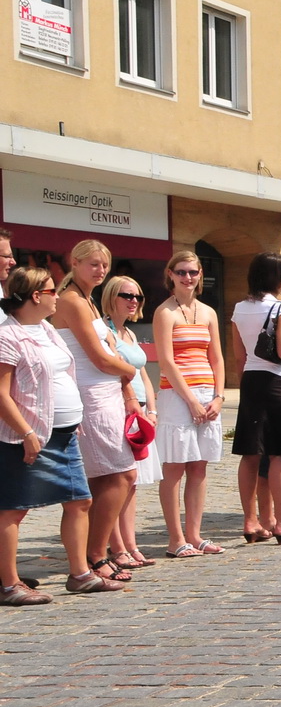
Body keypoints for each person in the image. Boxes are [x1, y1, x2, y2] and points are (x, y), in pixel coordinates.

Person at [1, 267, 123, 603]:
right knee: (13, 508)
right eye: (53, 291)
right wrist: (25, 431)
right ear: (36, 296)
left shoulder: (48, 330)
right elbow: (1, 392)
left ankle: (80, 575)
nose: (59, 295)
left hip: (65, 432)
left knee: (80, 500)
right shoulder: (7, 336)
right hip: (29, 435)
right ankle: (10, 584)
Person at [53, 239, 141, 584]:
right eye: (92, 264)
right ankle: (94, 553)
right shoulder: (72, 301)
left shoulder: (87, 300)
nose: (100, 270)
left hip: (106, 392)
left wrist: (126, 388)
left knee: (113, 477)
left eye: (104, 265)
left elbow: (108, 351)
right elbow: (99, 356)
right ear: (74, 263)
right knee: (120, 474)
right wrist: (130, 371)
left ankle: (94, 552)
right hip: (90, 395)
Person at [232, 253, 281, 544]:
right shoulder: (280, 308)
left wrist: (247, 384)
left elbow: (239, 355)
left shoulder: (239, 308)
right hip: (278, 381)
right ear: (274, 276)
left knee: (250, 452)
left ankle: (250, 521)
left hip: (251, 379)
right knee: (280, 452)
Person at [153, 252, 225, 558]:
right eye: (181, 272)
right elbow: (166, 361)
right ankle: (176, 538)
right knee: (174, 468)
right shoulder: (164, 312)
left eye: (193, 272)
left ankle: (195, 535)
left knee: (199, 467)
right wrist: (191, 401)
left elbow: (217, 357)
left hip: (207, 393)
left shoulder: (208, 312)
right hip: (176, 396)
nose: (187, 278)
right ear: (170, 274)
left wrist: (218, 396)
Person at [101, 276, 160, 570]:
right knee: (117, 480)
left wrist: (152, 408)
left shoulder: (130, 333)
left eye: (137, 295)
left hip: (139, 412)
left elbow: (144, 374)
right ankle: (116, 547)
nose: (133, 300)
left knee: (132, 482)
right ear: (112, 296)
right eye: (126, 294)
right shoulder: (105, 331)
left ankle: (131, 544)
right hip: (118, 407)